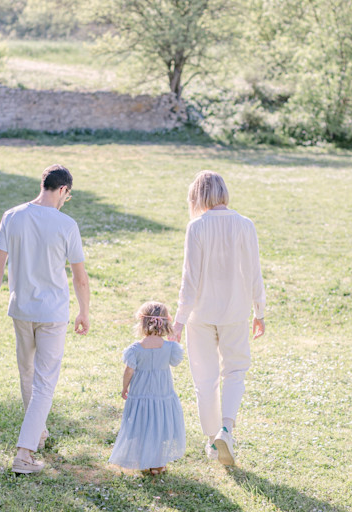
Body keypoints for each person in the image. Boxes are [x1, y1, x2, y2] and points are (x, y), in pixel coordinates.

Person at [0, 163, 90, 474]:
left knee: (28, 374)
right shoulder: (66, 224)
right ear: (63, 190)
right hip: (52, 312)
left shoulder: (12, 216)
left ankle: (38, 431)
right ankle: (24, 454)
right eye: (66, 196)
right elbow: (79, 277)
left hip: (21, 310)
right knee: (44, 382)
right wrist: (84, 310)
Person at [169, 170, 265, 466]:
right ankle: (227, 428)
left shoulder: (196, 227)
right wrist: (259, 311)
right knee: (235, 371)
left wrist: (179, 321)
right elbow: (255, 271)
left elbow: (190, 280)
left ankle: (212, 440)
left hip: (201, 314)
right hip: (235, 311)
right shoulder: (245, 225)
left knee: (205, 379)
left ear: (197, 196)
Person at [109, 301, 185, 475]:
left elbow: (129, 370)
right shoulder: (170, 348)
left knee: (142, 426)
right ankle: (157, 464)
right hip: (162, 394)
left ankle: (144, 460)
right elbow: (174, 362)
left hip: (140, 394)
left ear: (142, 323)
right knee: (158, 426)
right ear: (165, 322)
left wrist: (124, 388)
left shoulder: (135, 349)